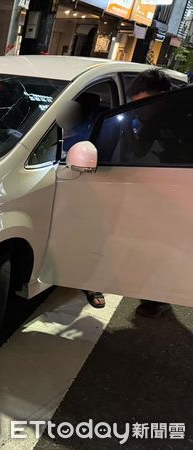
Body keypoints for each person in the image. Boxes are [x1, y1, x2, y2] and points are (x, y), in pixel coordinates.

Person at [124, 69, 173, 318]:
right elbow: (141, 149)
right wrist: (125, 129)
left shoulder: (186, 112)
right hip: (165, 183)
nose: (141, 112)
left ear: (162, 97)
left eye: (144, 105)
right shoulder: (151, 118)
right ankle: (154, 295)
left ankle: (158, 297)